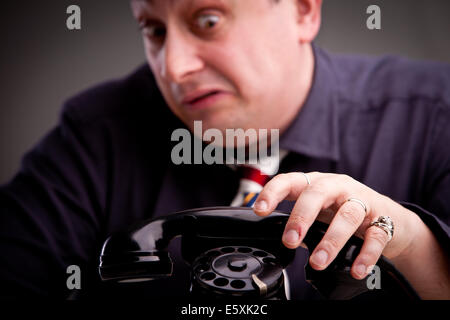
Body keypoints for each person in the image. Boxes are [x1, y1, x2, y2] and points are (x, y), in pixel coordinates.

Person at [0, 0, 449, 300]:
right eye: (154, 30)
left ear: (303, 10)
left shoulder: (435, 112)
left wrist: (411, 243)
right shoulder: (95, 133)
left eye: (208, 20)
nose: (173, 67)